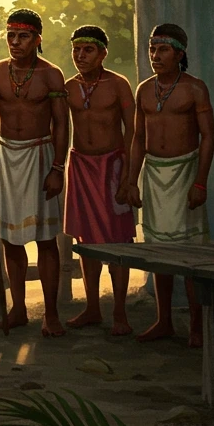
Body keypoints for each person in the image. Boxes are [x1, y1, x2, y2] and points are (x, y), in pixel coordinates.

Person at [0, 8, 70, 337]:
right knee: (9, 240)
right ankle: (18, 309)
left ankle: (51, 314)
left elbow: (61, 124)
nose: (15, 42)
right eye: (11, 36)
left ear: (37, 39)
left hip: (40, 155)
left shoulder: (51, 74)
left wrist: (58, 168)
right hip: (6, 156)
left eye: (23, 36)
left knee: (44, 239)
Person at [126, 23, 214, 347]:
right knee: (158, 252)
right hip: (154, 175)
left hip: (185, 173)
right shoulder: (144, 89)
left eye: (162, 49)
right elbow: (138, 138)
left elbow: (208, 137)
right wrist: (130, 181)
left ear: (179, 53)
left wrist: (201, 182)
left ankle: (197, 325)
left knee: (190, 255)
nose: (155, 55)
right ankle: (163, 321)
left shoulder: (195, 89)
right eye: (152, 49)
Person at [62, 25, 137, 335]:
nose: (81, 55)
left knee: (119, 240)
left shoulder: (118, 85)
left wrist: (129, 178)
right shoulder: (67, 86)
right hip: (79, 165)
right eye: (76, 50)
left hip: (112, 167)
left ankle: (120, 312)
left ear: (103, 53)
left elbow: (133, 131)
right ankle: (92, 307)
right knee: (86, 240)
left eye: (88, 49)